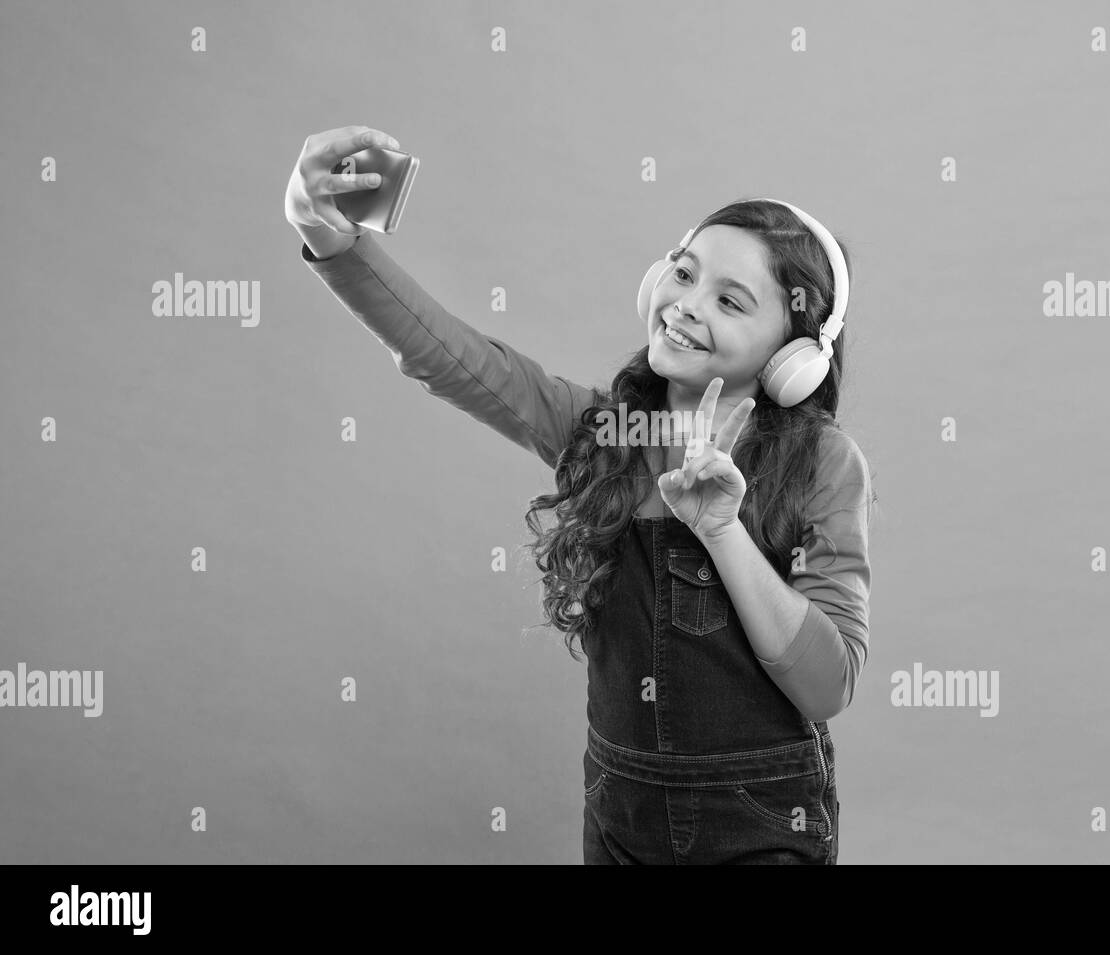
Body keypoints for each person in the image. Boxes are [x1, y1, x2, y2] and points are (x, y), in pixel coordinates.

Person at [285, 126, 875, 864]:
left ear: (794, 355)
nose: (687, 305)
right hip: (620, 811)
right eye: (684, 274)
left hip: (759, 818)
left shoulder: (824, 462)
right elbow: (446, 355)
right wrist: (329, 238)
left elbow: (828, 685)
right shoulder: (599, 430)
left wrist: (724, 531)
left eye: (731, 300)